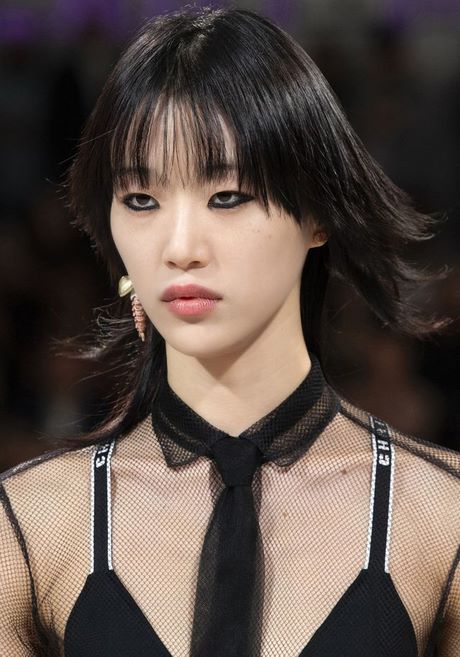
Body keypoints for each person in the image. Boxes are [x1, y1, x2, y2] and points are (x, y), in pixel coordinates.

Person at [0, 6, 458, 657]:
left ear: (318, 214)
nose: (180, 247)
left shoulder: (440, 518)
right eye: (141, 200)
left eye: (227, 196)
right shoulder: (31, 524)